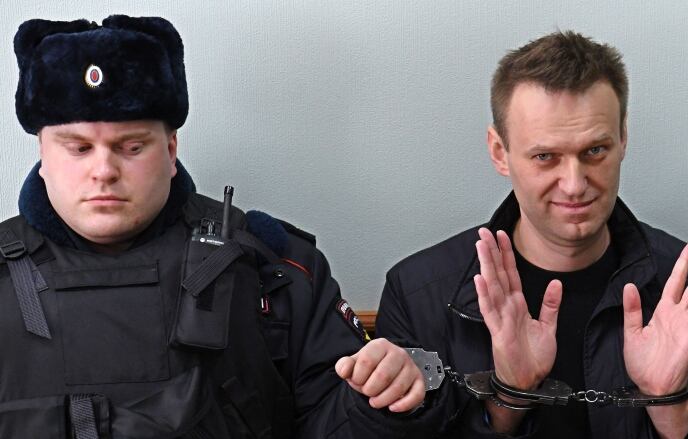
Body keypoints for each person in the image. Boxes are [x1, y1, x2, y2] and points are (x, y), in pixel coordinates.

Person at [0, 15, 432, 438]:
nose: (104, 171)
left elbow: (335, 418)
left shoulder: (273, 269)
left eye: (131, 146)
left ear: (171, 151)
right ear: (43, 155)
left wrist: (383, 401)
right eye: (78, 148)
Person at [375, 31, 688, 438]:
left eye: (594, 151)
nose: (575, 183)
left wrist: (669, 404)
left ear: (623, 139)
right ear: (499, 152)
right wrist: (509, 397)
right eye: (546, 157)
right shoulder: (417, 294)